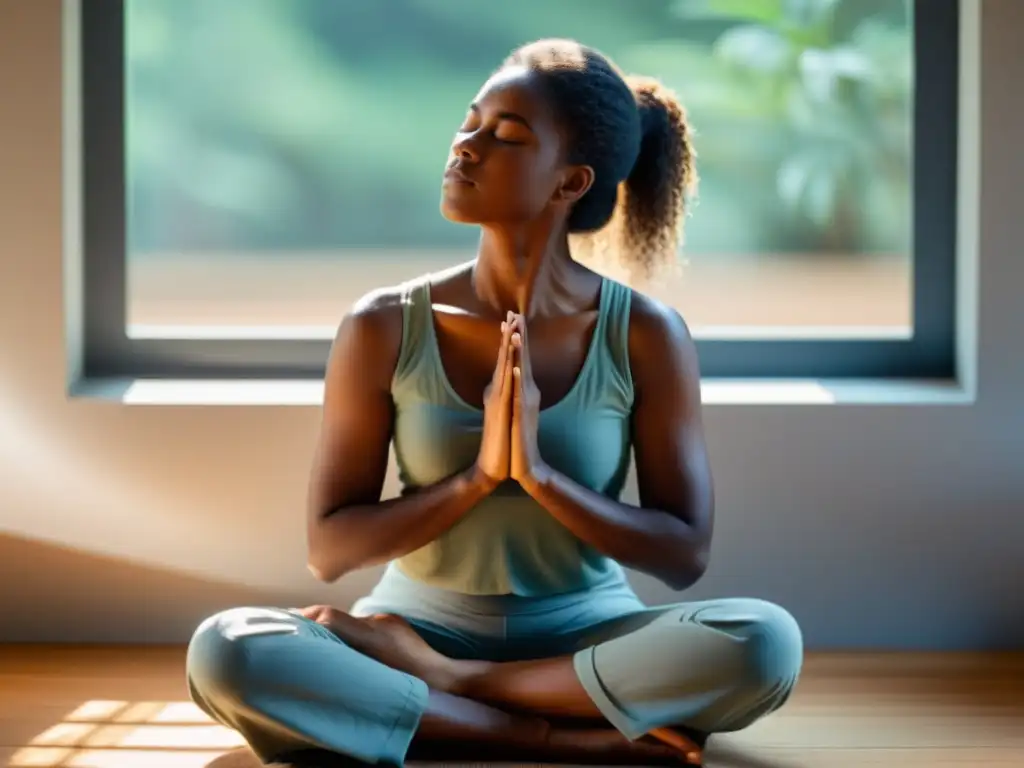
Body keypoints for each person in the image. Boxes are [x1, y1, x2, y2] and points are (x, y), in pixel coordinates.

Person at [185, 39, 803, 767]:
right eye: (470, 121)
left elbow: (682, 553)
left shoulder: (645, 334)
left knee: (762, 643)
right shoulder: (383, 325)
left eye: (506, 135)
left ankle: (450, 694)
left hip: (587, 636)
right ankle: (546, 732)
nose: (465, 146)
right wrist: (477, 478)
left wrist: (539, 476)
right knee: (227, 652)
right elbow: (330, 551)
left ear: (570, 182)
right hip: (411, 630)